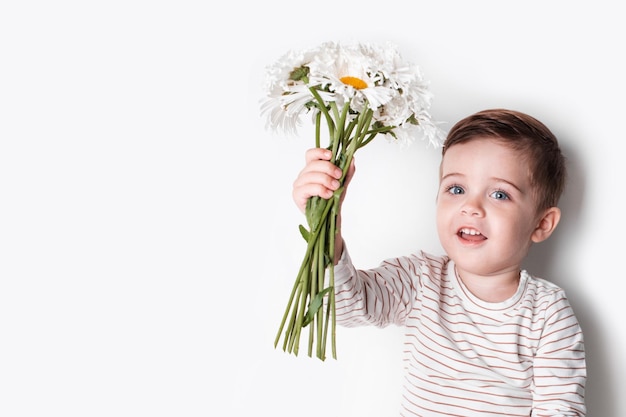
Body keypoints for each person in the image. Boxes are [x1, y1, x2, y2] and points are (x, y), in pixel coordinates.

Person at [291, 109, 586, 416]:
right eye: (456, 189)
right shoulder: (419, 279)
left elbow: (560, 409)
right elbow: (344, 307)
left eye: (499, 194)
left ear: (541, 224)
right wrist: (326, 222)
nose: (471, 207)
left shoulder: (548, 314)